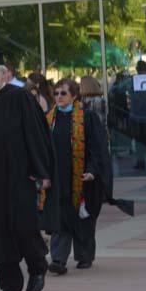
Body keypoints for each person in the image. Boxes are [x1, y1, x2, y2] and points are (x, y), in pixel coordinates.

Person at [0, 53, 56, 291]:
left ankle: (37, 267)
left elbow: (36, 134)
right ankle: (11, 285)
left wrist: (41, 171)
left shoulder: (20, 97)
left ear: (4, 73)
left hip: (20, 174)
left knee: (24, 227)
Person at [47, 79, 111, 274]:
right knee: (61, 218)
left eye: (63, 93)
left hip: (82, 178)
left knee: (83, 218)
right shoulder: (49, 119)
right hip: (58, 178)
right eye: (56, 93)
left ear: (74, 96)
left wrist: (93, 170)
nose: (58, 97)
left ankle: (84, 256)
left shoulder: (87, 117)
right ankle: (58, 259)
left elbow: (98, 147)